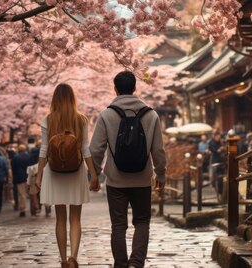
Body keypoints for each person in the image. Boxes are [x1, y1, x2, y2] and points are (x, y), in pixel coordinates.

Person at [89, 71, 167, 268]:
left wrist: (94, 175)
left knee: (118, 225)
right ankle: (136, 264)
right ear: (134, 88)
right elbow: (158, 149)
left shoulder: (107, 114)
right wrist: (161, 174)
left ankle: (121, 265)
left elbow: (95, 149)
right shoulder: (151, 115)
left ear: (115, 89)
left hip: (115, 180)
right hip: (142, 179)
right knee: (142, 222)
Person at [35, 83, 99, 268]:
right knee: (76, 219)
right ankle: (73, 257)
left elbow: (44, 149)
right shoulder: (81, 120)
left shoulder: (48, 120)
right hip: (76, 171)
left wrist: (39, 176)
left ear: (55, 99)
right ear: (73, 99)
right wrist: (93, 175)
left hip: (54, 172)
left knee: (60, 218)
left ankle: (63, 260)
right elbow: (85, 149)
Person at [11, 144, 30, 217]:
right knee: (29, 194)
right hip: (27, 177)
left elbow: (13, 169)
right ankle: (35, 208)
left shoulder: (15, 158)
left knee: (22, 194)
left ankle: (23, 209)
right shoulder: (28, 157)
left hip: (19, 178)